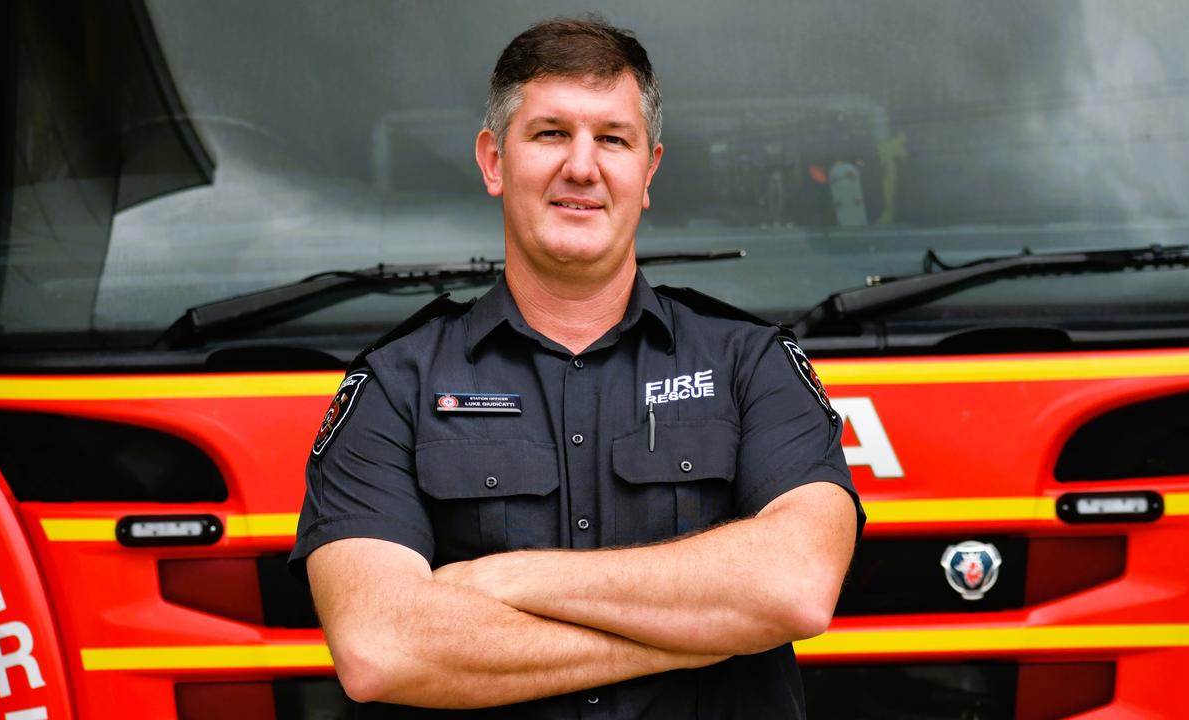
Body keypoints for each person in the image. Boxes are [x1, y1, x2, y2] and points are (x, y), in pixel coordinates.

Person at [289, 16, 864, 718]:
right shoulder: (393, 388)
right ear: (494, 160)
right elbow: (383, 646)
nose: (583, 167)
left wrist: (505, 579)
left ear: (648, 170)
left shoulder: (752, 364)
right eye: (551, 133)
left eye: (613, 139)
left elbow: (795, 585)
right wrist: (706, 630)